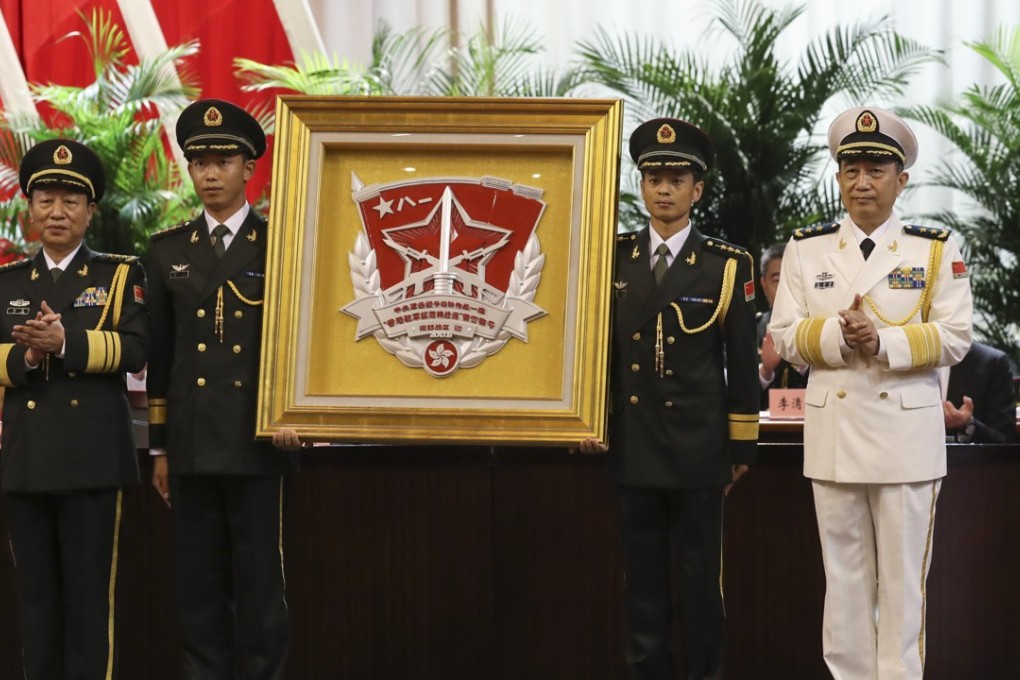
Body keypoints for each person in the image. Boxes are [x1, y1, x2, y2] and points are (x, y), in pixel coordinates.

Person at [769, 107, 973, 679]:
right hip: (834, 434)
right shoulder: (807, 249)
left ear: (900, 180)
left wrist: (881, 340)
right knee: (845, 579)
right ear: (838, 177)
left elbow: (956, 338)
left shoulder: (933, 248)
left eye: (877, 168)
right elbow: (784, 337)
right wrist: (838, 334)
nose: (863, 180)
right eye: (851, 167)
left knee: (905, 583)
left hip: (906, 437)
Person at [580, 118, 759, 679]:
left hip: (700, 454)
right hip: (635, 449)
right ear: (640, 185)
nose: (664, 188)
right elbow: (594, 354)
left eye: (677, 177)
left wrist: (741, 447)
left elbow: (741, 367)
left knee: (702, 587)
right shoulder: (610, 259)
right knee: (643, 589)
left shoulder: (727, 265)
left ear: (697, 190)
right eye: (654, 175)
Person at [145, 99, 300, 680]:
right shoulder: (165, 252)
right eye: (199, 162)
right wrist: (158, 448)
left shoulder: (280, 242)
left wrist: (297, 416)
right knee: (198, 590)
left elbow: (296, 340)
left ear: (248, 168)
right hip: (189, 443)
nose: (210, 173)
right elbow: (161, 355)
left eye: (224, 160)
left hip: (259, 439)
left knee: (262, 589)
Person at [0, 139, 149, 678]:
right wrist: (29, 352)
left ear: (92, 211)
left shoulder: (119, 276)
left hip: (92, 461)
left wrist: (66, 343)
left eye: (70, 200)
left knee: (90, 605)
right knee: (34, 604)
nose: (57, 212)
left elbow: (136, 349)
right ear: (30, 207)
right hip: (27, 459)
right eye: (45, 199)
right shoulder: (8, 282)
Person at [757, 243, 808, 408]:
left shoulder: (818, 328)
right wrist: (765, 371)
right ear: (764, 284)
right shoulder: (750, 330)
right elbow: (733, 393)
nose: (785, 288)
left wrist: (805, 362)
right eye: (777, 280)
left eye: (791, 280)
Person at [944, 341, 1016, 443]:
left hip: (965, 457)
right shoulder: (914, 361)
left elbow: (1004, 438)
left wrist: (968, 424)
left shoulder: (993, 363)